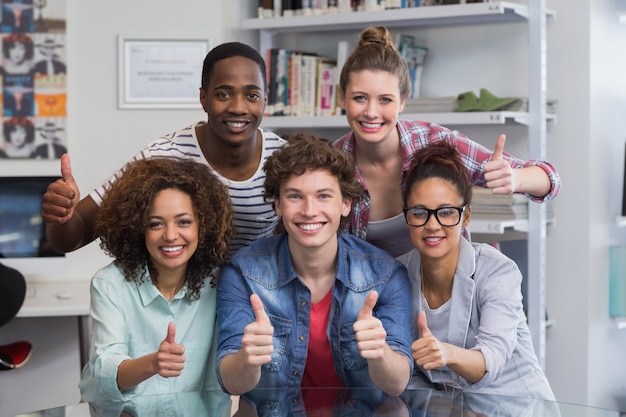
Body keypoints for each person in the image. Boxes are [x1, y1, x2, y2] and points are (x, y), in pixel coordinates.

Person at [216, 133, 414, 409]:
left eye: (323, 196)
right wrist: (247, 358)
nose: (310, 211)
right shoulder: (242, 273)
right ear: (278, 204)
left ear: (345, 204)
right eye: (295, 196)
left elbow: (397, 383)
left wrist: (380, 353)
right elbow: (231, 382)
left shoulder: (386, 274)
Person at [334, 26, 561, 257]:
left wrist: (516, 178)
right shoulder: (333, 163)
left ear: (402, 101)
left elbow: (550, 179)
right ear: (342, 97)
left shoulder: (437, 145)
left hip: (443, 288)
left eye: (385, 100)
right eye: (360, 98)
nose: (372, 112)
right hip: (370, 291)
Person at [41, 41, 285, 254]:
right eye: (223, 95)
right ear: (203, 99)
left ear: (265, 99)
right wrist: (62, 217)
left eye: (252, 96)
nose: (238, 108)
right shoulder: (165, 155)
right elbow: (75, 234)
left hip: (253, 298)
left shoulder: (285, 161)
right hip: (183, 302)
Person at [397, 140, 555, 400]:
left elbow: (491, 360)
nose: (433, 225)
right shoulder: (398, 273)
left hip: (516, 406)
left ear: (466, 216)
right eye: (419, 212)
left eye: (447, 212)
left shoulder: (497, 271)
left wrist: (446, 353)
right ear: (407, 217)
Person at [78, 157, 234, 402]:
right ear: (137, 227)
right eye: (155, 224)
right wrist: (152, 363)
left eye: (184, 222)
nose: (171, 235)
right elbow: (104, 370)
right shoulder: (110, 284)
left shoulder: (223, 282)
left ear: (203, 225)